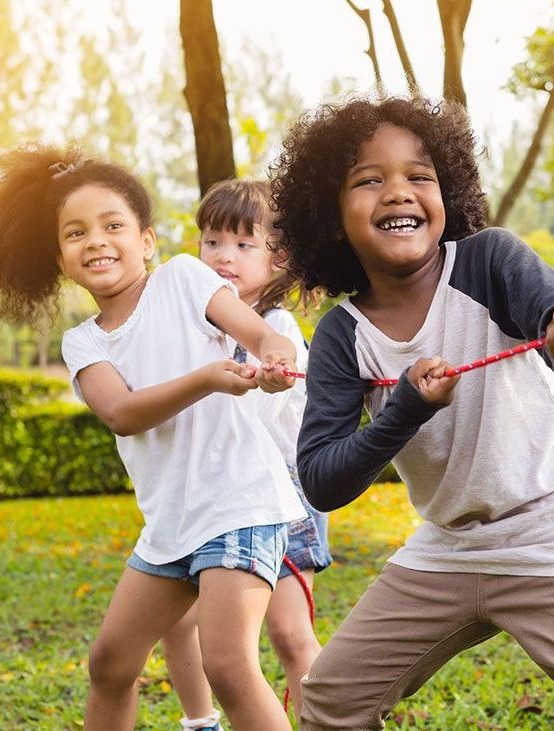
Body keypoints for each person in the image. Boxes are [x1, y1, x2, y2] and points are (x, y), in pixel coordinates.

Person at [271, 97, 554, 730]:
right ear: (329, 213)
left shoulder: (488, 262)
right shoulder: (340, 336)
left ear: (447, 192)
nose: (398, 193)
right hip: (451, 546)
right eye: (369, 179)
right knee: (331, 699)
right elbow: (323, 480)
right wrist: (403, 409)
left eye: (419, 176)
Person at [0, 146, 305, 731]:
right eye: (76, 233)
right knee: (110, 664)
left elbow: (260, 334)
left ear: (146, 240)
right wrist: (206, 379)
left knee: (226, 665)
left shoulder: (184, 278)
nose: (95, 240)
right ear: (60, 259)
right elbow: (121, 413)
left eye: (113, 225)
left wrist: (274, 360)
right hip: (169, 526)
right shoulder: (85, 344)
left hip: (240, 504)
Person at [160, 179, 331, 729]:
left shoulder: (277, 327)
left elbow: (245, 424)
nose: (223, 257)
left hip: (278, 494)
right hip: (217, 495)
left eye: (242, 245)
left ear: (277, 258)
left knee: (289, 634)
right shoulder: (199, 327)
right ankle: (200, 720)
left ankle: (322, 722)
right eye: (212, 242)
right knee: (179, 620)